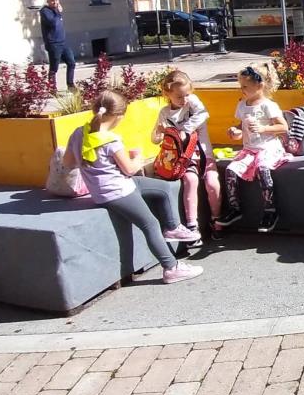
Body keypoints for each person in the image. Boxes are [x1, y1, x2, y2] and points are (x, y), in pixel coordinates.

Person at [62, 91, 203, 283]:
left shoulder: (79, 132)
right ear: (119, 116)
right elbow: (130, 170)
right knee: (150, 224)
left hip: (109, 188)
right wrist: (137, 159)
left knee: (163, 189)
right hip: (118, 192)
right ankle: (171, 267)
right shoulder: (111, 140)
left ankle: (172, 228)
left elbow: (68, 162)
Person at [214, 63, 288, 234]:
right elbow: (241, 127)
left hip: (268, 148)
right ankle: (235, 208)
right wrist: (235, 132)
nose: (241, 90)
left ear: (259, 86)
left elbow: (283, 127)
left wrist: (263, 129)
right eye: (241, 86)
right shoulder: (242, 105)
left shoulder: (268, 105)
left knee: (263, 168)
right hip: (249, 149)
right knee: (231, 170)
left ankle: (270, 210)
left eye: (245, 86)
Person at [153, 70, 222, 240]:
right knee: (190, 180)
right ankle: (192, 225)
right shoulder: (165, 112)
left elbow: (203, 114)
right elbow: (155, 139)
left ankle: (217, 219)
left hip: (204, 154)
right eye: (179, 97)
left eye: (186, 94)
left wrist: (184, 130)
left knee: (212, 183)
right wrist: (161, 132)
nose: (184, 99)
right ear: (167, 94)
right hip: (184, 159)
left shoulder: (192, 103)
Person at [39, 0, 75, 90]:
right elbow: (53, 23)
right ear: (48, 1)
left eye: (56, 1)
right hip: (53, 43)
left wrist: (57, 11)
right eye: (52, 1)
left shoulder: (56, 11)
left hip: (63, 42)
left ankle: (70, 85)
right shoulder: (45, 11)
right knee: (54, 68)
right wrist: (57, 11)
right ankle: (52, 89)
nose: (55, 2)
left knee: (71, 62)